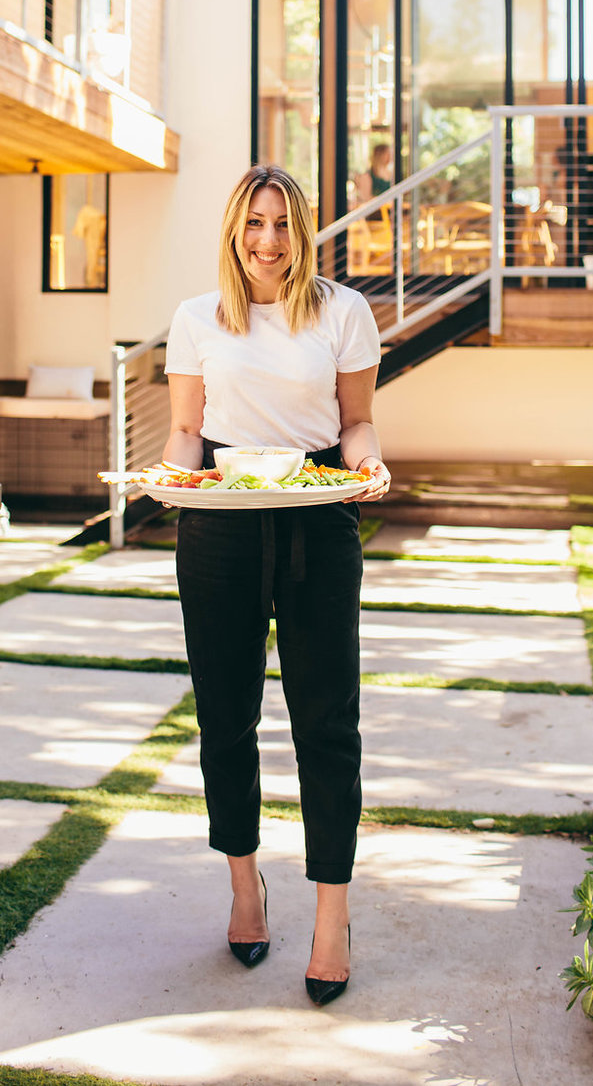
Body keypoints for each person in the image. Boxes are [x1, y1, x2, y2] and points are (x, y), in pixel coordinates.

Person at [163, 163, 390, 1006]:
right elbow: (187, 432)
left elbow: (356, 421)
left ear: (304, 231)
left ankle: (331, 918)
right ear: (234, 229)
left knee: (327, 721)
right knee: (226, 718)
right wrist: (170, 480)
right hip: (219, 522)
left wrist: (369, 466)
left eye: (284, 225)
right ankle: (245, 888)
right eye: (254, 224)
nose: (268, 242)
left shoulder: (343, 311)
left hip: (318, 520)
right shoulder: (197, 318)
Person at [353, 142, 393, 207]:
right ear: (379, 155)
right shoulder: (368, 175)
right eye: (387, 153)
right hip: (375, 213)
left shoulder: (390, 174)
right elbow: (366, 198)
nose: (390, 156)